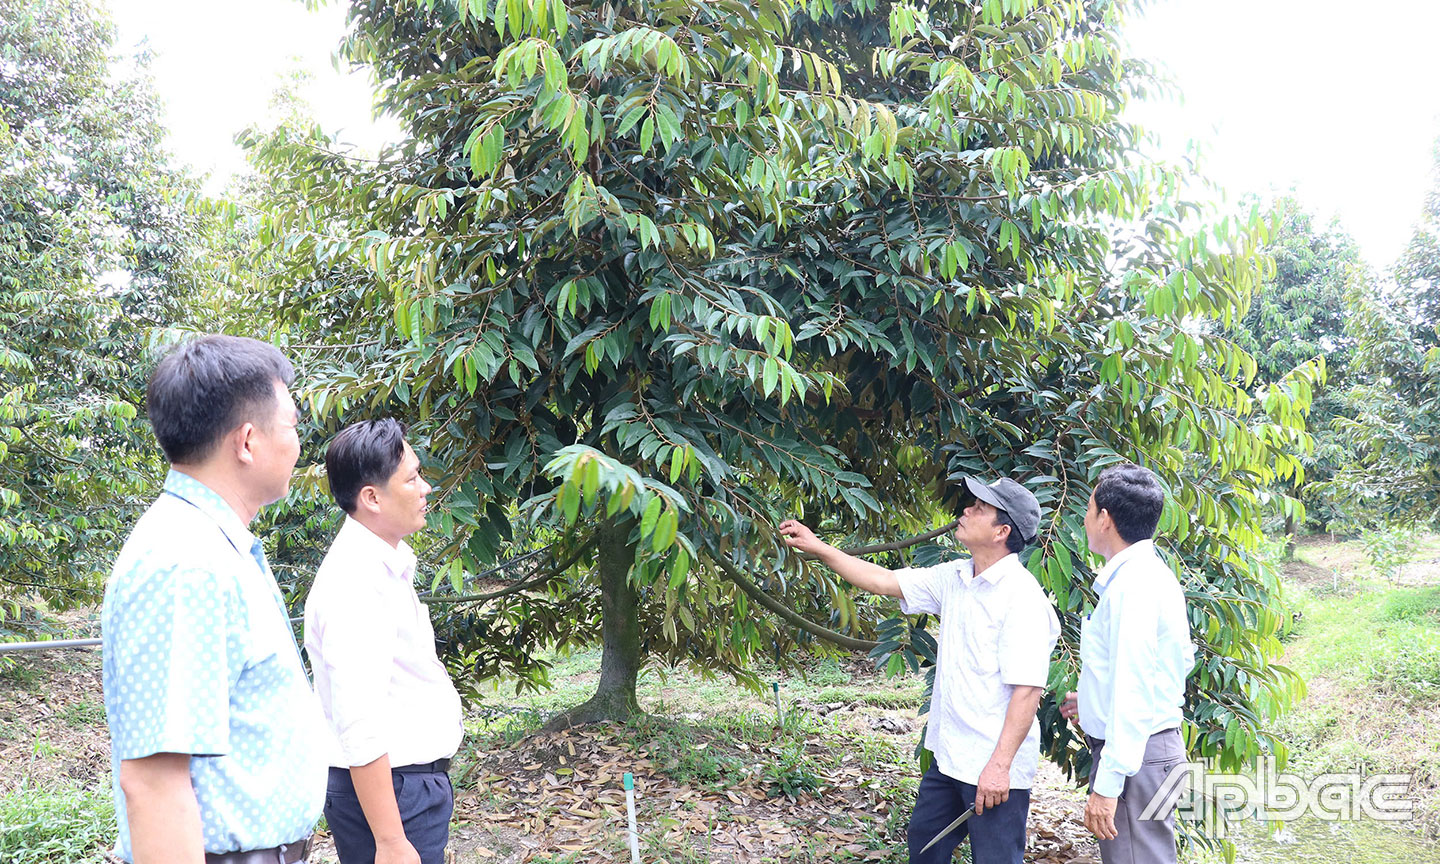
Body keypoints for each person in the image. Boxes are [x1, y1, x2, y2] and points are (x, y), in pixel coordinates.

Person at [101, 335, 327, 864]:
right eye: (292, 425)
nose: (298, 444)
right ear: (247, 442)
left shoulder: (214, 547)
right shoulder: (187, 563)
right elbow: (154, 783)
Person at [781, 476, 1060, 864]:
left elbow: (1027, 690)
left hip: (994, 768)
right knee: (925, 847)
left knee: (996, 859)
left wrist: (999, 767)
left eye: (979, 508)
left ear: (1002, 531)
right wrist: (818, 547)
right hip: (949, 758)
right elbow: (882, 580)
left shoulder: (1022, 598)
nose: (965, 510)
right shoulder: (957, 577)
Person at [304, 419, 463, 864]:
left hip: (407, 788)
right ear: (371, 498)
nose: (425, 487)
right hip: (393, 793)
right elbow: (360, 722)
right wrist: (391, 841)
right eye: (411, 478)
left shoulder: (381, 565)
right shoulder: (356, 583)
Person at [1059, 463, 1196, 864]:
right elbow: (1174, 663)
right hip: (1150, 748)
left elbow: (1136, 690)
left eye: (1088, 508)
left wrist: (1107, 786)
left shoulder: (1132, 587)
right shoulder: (1150, 576)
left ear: (1105, 518)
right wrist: (1096, 700)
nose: (1084, 519)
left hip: (1138, 759)